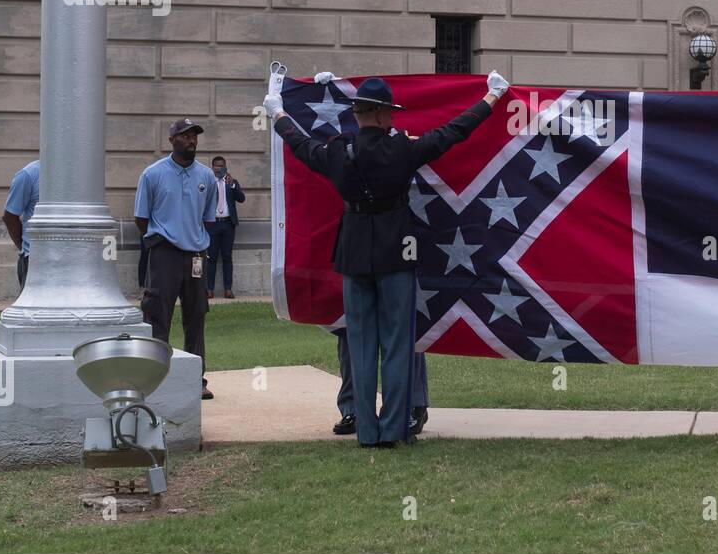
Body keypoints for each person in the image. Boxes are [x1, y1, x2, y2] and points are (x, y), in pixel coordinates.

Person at [264, 71, 508, 447]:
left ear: (359, 114)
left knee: (361, 345)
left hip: (354, 252)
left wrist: (278, 113)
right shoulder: (401, 150)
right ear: (379, 115)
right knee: (397, 342)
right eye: (389, 114)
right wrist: (491, 99)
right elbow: (454, 131)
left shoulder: (337, 150)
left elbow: (299, 144)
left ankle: (366, 429)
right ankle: (393, 428)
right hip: (398, 250)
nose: (393, 120)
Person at [135, 119, 218, 400]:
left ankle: (197, 380)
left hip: (196, 256)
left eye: (194, 136)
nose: (191, 141)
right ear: (171, 140)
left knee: (196, 317)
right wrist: (167, 239)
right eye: (185, 136)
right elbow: (141, 219)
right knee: (158, 315)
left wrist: (191, 240)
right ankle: (157, 379)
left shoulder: (206, 177)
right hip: (164, 255)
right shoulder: (152, 174)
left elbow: (208, 220)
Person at [206, 155, 245, 299]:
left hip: (228, 224)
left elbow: (241, 198)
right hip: (212, 224)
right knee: (211, 258)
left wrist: (233, 186)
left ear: (225, 167)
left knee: (227, 257)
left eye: (221, 165)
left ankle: (228, 289)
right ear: (212, 167)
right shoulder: (209, 182)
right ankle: (209, 289)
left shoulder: (232, 182)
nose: (218, 168)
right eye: (216, 165)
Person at [2, 159, 40, 289]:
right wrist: (24, 246)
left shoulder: (79, 175)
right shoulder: (28, 174)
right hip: (35, 258)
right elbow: (10, 216)